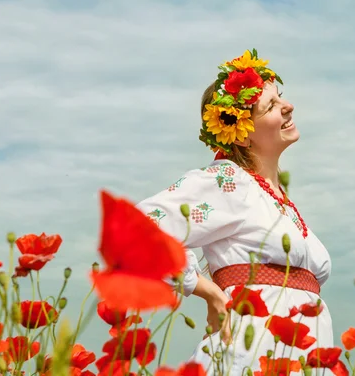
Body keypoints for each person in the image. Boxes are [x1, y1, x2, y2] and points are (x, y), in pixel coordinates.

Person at [136, 49, 334, 375]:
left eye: (280, 97)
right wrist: (208, 291)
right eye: (270, 106)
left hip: (304, 354)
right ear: (240, 135)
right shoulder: (229, 181)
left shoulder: (275, 197)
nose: (288, 106)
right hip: (256, 351)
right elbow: (142, 225)